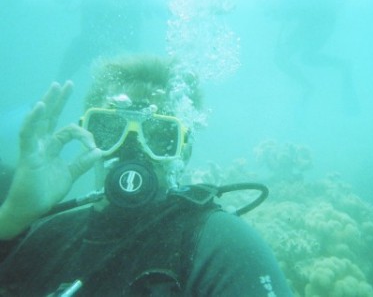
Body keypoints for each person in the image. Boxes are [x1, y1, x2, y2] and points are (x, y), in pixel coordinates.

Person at [0, 55, 293, 296]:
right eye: (110, 130)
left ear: (184, 151)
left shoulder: (222, 246)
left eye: (159, 135)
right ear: (87, 136)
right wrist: (12, 219)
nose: (133, 150)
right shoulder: (48, 233)